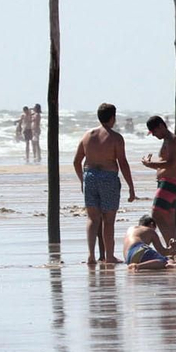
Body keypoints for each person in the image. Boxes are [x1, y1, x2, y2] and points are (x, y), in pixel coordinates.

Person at [72, 103, 137, 266]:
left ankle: (91, 256)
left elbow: (76, 161)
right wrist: (131, 186)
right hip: (108, 177)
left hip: (90, 176)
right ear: (113, 117)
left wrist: (83, 180)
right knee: (108, 220)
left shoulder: (87, 135)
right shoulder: (116, 138)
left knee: (92, 219)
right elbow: (122, 162)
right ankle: (109, 256)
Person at [141, 116, 176, 248]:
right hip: (166, 182)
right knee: (168, 218)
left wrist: (150, 164)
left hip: (169, 182)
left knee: (156, 214)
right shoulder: (166, 141)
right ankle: (173, 249)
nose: (154, 135)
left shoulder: (173, 141)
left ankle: (169, 247)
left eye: (154, 132)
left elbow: (171, 163)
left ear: (161, 126)